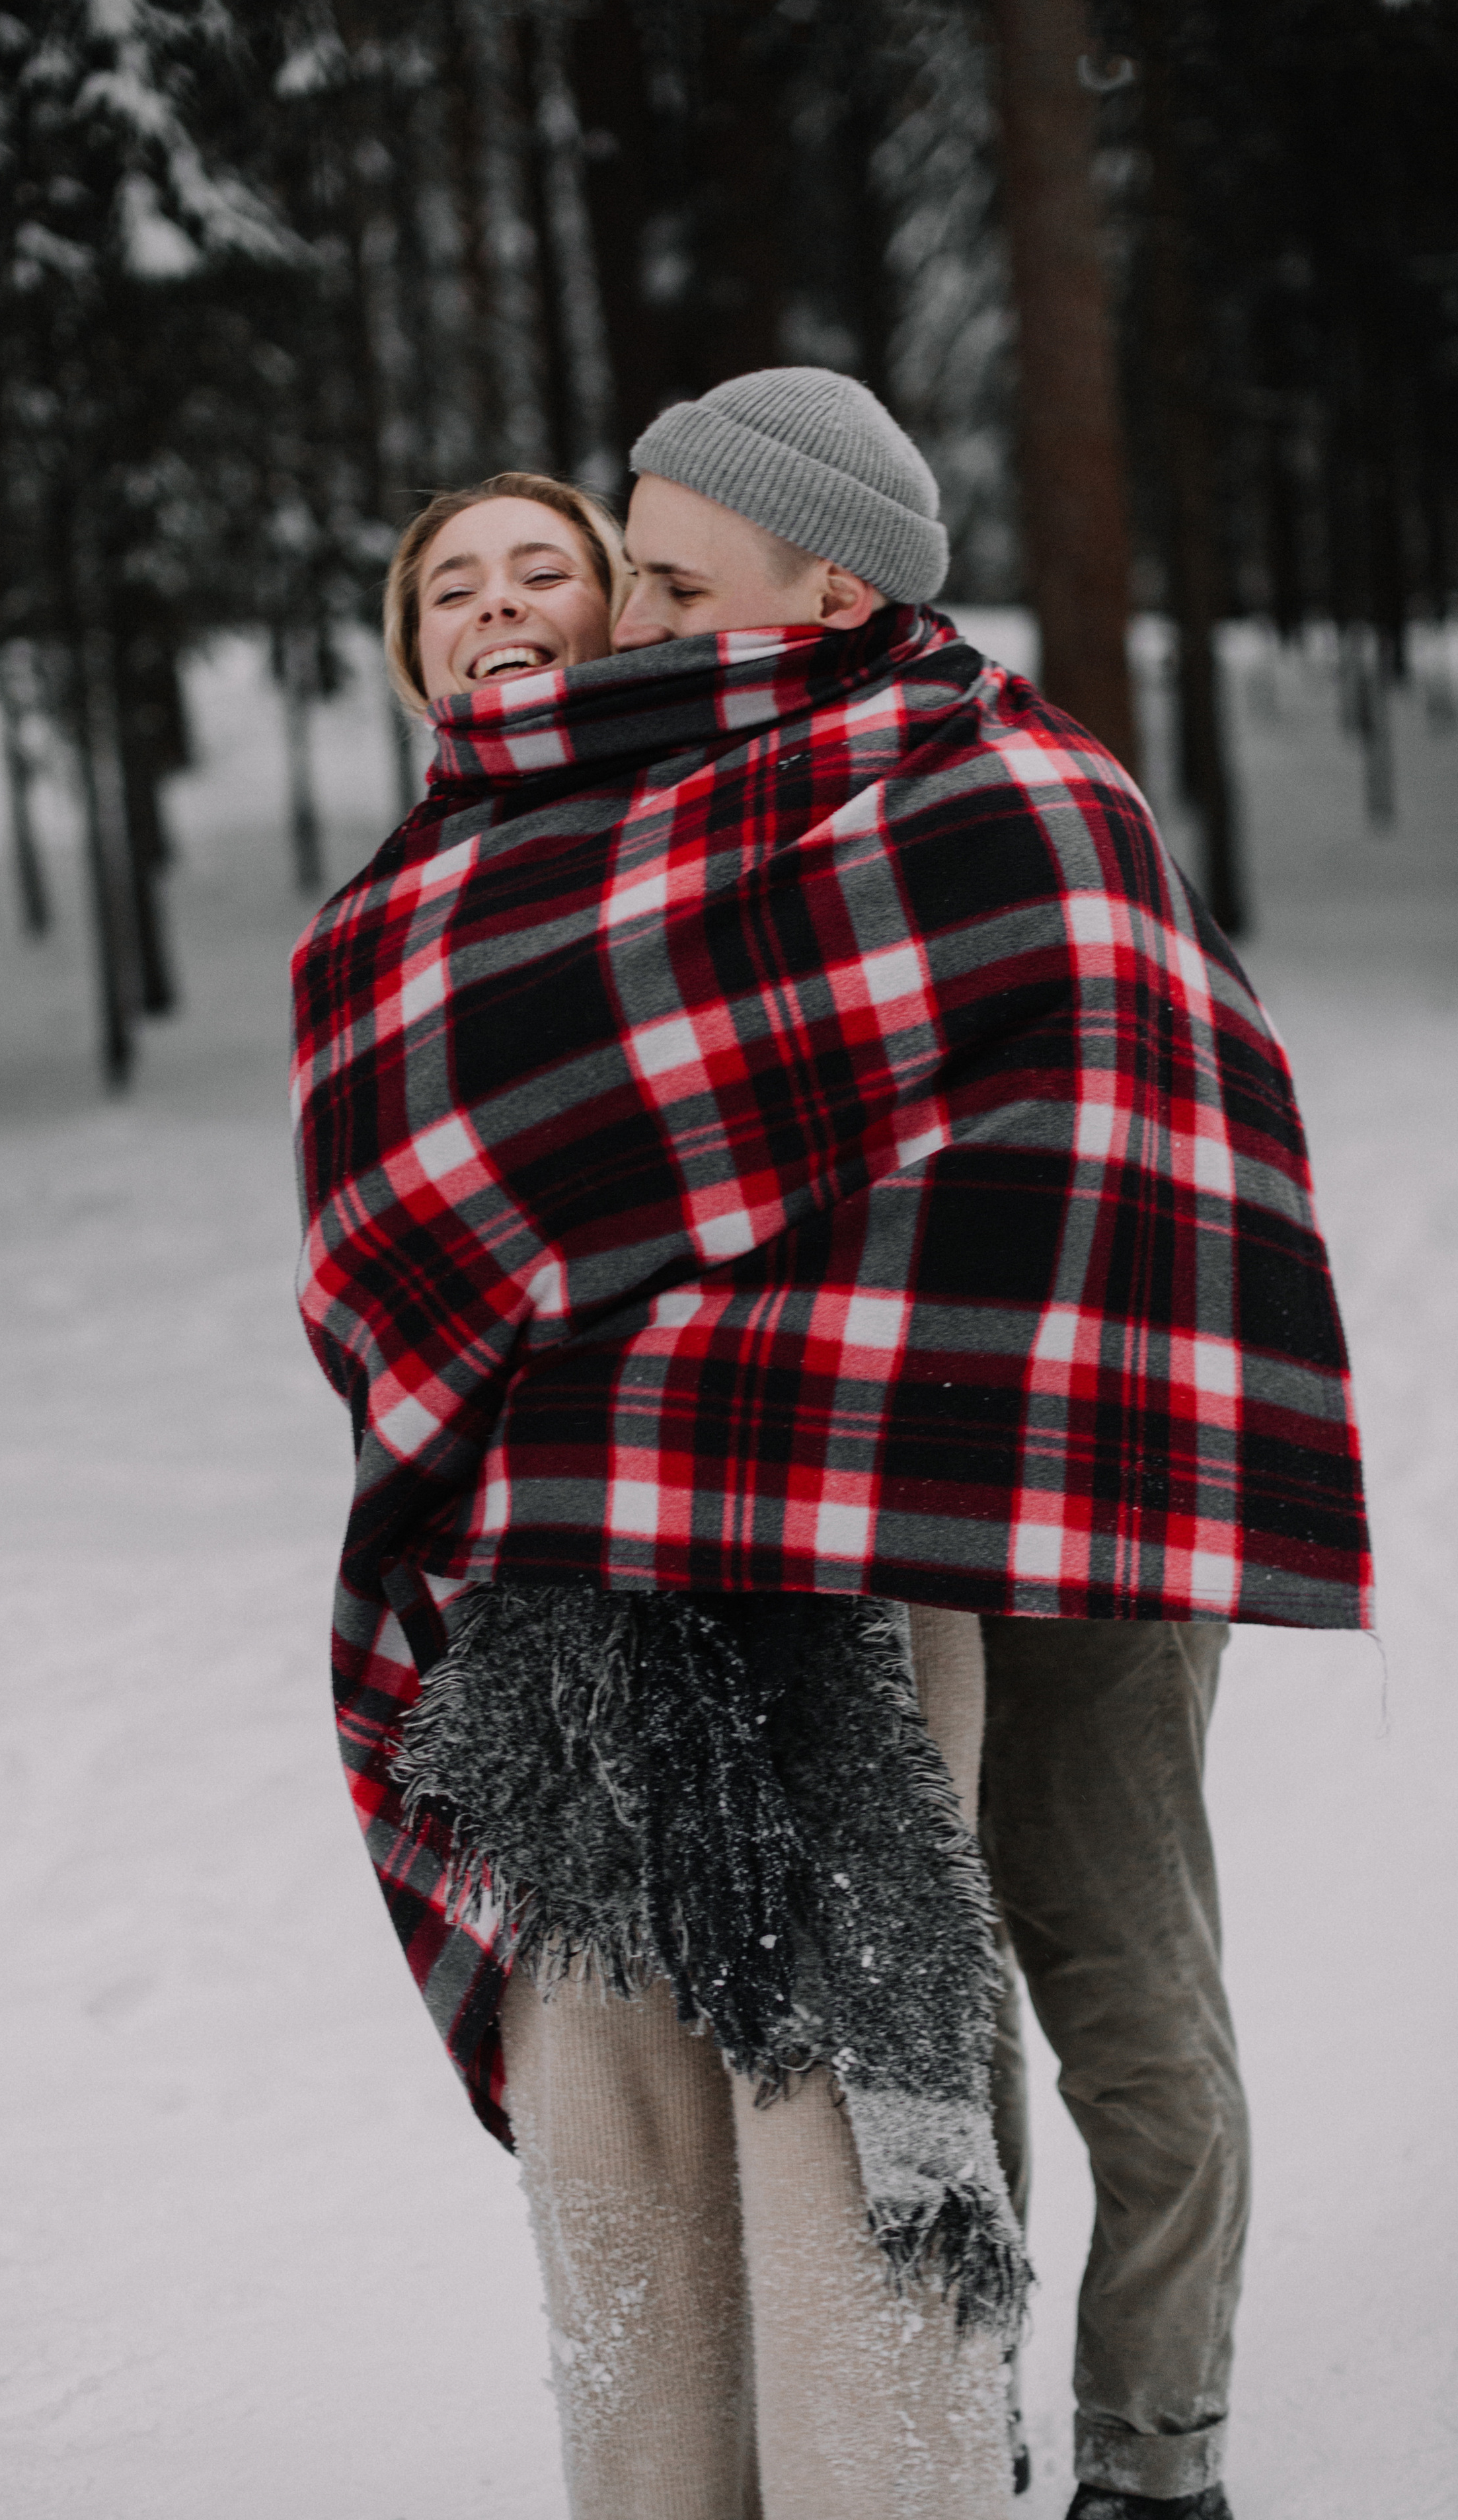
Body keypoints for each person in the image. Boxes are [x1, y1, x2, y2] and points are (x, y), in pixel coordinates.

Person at [291, 382, 1371, 2520]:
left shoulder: (1021, 788)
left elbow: (1121, 1124)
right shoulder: (655, 784)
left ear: (832, 583)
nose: (641, 617)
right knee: (914, 2006)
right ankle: (942, 2440)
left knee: (1126, 1994)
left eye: (668, 579)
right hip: (823, 1522)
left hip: (1087, 1481)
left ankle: (1159, 2460)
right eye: (640, 572)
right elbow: (634, 1140)